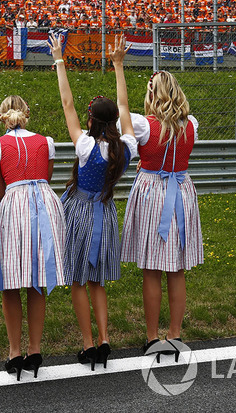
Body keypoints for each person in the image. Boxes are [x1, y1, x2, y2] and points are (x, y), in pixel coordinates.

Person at [50, 33, 137, 370]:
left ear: (92, 121)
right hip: (106, 210)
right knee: (98, 280)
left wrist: (59, 59)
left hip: (82, 210)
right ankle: (104, 338)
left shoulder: (86, 147)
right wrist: (118, 66)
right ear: (113, 121)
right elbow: (125, 106)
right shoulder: (126, 147)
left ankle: (88, 343)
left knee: (77, 278)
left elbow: (66, 103)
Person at [121, 70, 204, 359]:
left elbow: (122, 112)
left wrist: (119, 68)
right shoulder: (190, 124)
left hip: (152, 191)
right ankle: (175, 335)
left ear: (152, 93)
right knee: (176, 269)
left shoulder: (145, 125)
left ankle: (152, 337)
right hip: (182, 191)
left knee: (152, 269)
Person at [0, 95, 65, 380]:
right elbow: (46, 175)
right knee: (37, 279)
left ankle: (14, 352)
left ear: (2, 115)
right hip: (44, 204)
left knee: (11, 281)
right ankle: (34, 350)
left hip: (14, 204)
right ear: (27, 112)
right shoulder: (46, 141)